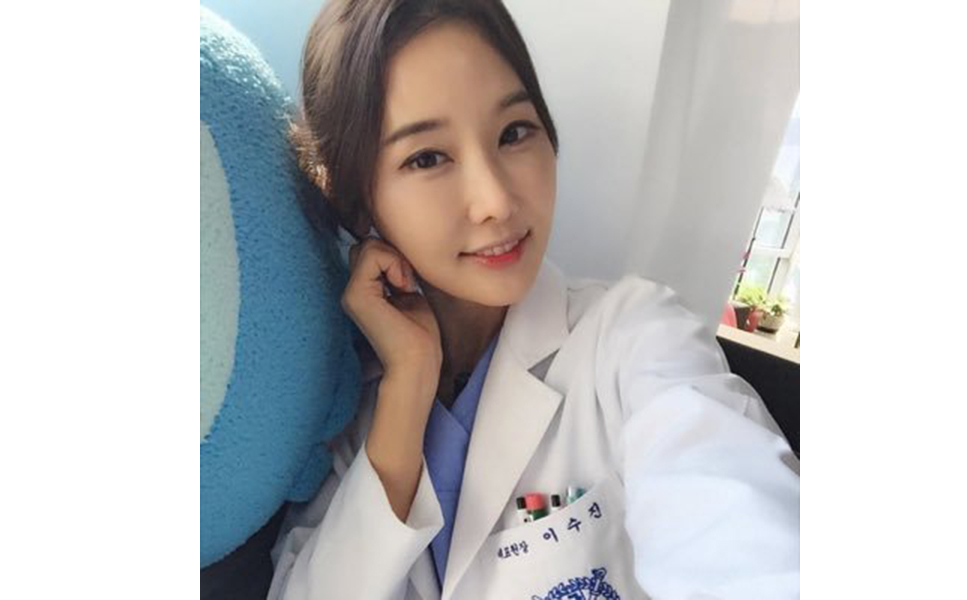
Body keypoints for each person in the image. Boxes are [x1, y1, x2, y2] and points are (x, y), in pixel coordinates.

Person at [268, 1, 800, 598]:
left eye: (514, 132)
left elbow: (736, 525)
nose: (495, 200)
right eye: (427, 157)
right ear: (355, 198)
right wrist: (407, 390)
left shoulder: (633, 336)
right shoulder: (341, 404)